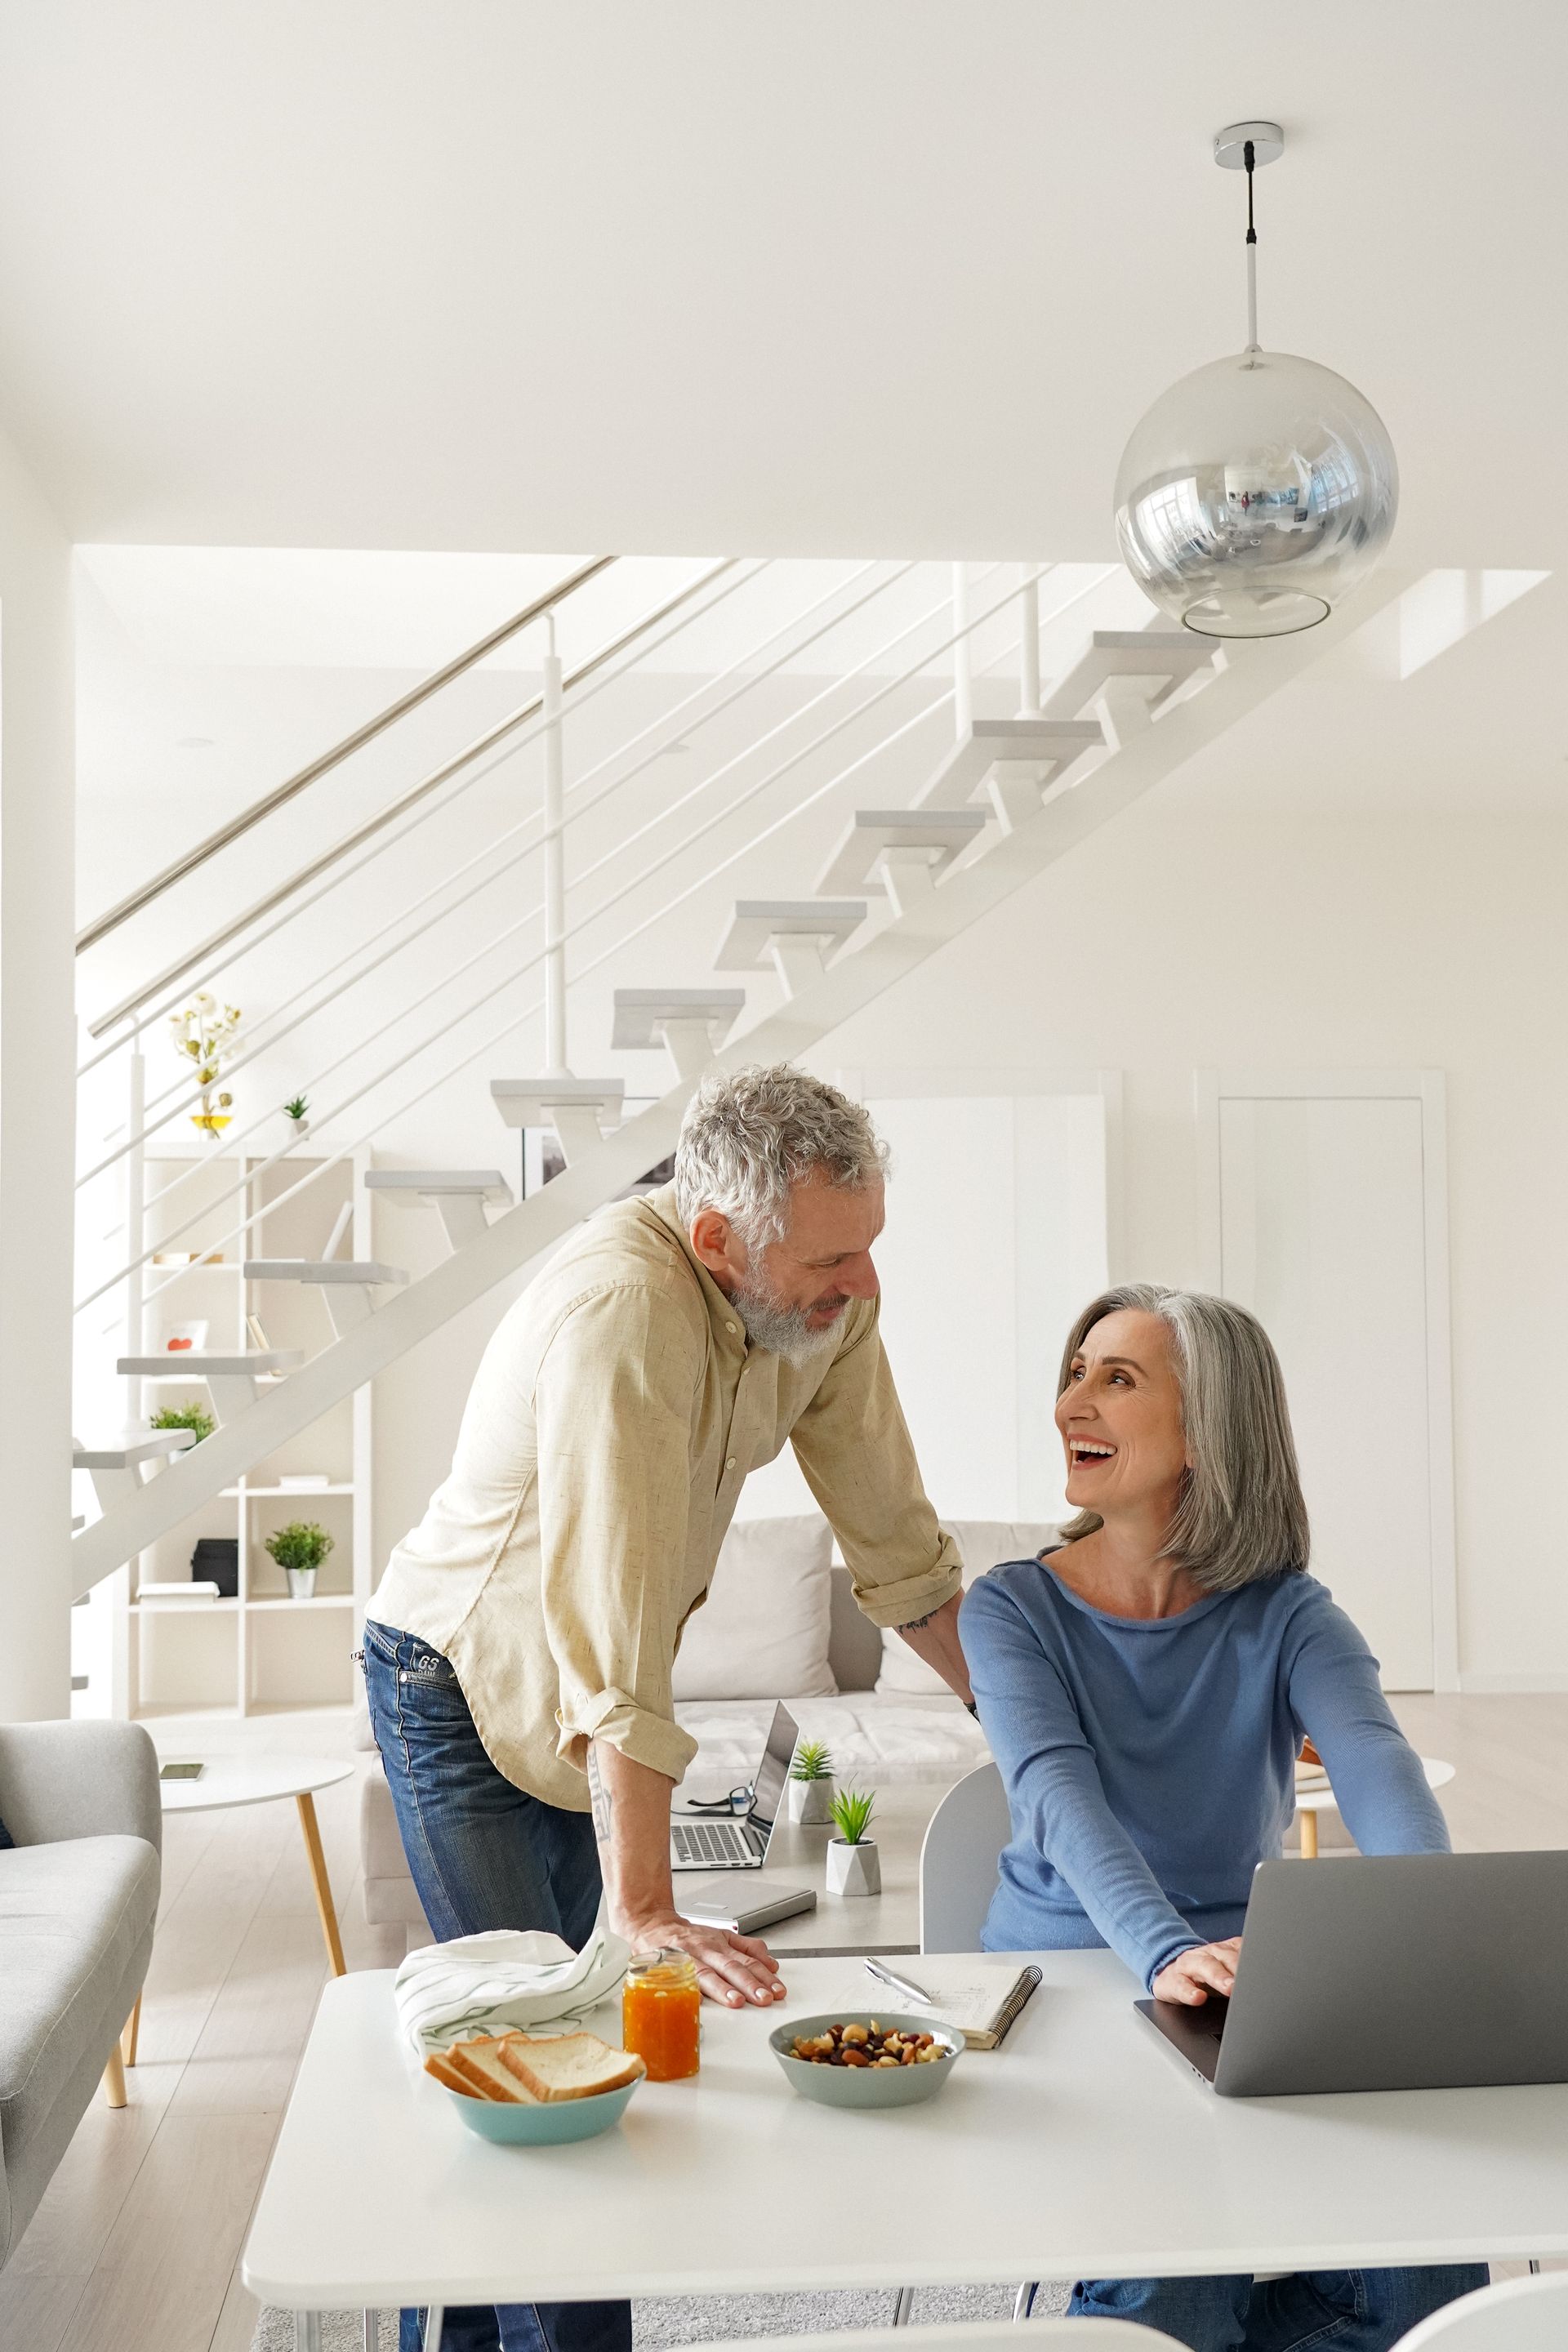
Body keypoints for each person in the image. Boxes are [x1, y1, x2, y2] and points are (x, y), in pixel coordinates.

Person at [364, 1063, 971, 2352]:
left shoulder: (823, 1300)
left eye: (867, 1248)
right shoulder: (621, 1312)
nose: (861, 1283)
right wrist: (643, 1908)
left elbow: (902, 1552)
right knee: (537, 2061)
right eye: (831, 1258)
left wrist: (1049, 1739)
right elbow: (615, 1628)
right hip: (458, 1682)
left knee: (568, 2060)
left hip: (583, 1683)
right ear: (715, 1243)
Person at [960, 1281, 1486, 2352]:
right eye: (1074, 1374)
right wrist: (1164, 1953)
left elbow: (1377, 1767)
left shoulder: (1289, 1611)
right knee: (1179, 2283)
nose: (1073, 1404)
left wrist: (1420, 1926)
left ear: (1210, 1428)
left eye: (1117, 1379)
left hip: (1239, 1999)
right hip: (1065, 1991)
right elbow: (1058, 1795)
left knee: (1437, 2265)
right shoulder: (1011, 1607)